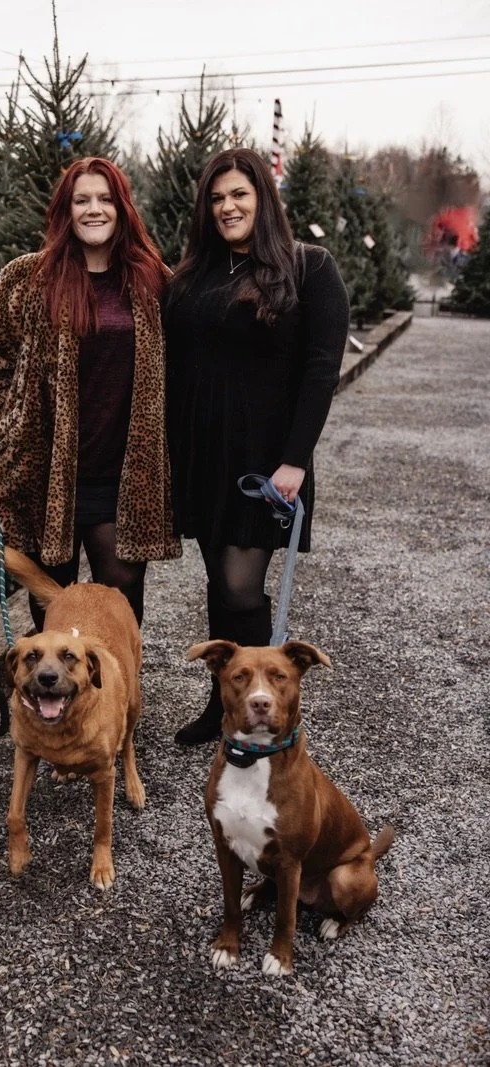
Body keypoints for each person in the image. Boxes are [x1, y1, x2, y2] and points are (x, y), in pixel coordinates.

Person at [165, 148, 350, 745]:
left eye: (239, 195)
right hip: (202, 454)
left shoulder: (309, 268)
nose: (227, 207)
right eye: (217, 198)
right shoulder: (194, 274)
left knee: (242, 586)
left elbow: (322, 369)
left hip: (266, 461)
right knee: (219, 583)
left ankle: (263, 708)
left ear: (263, 200)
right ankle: (225, 706)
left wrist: (295, 459)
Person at [0, 157, 180, 630]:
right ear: (67, 210)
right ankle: (55, 706)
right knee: (51, 609)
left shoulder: (152, 280)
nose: (94, 210)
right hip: (43, 476)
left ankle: (119, 701)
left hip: (123, 480)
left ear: (122, 209)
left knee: (119, 609)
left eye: (105, 199)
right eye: (82, 200)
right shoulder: (27, 278)